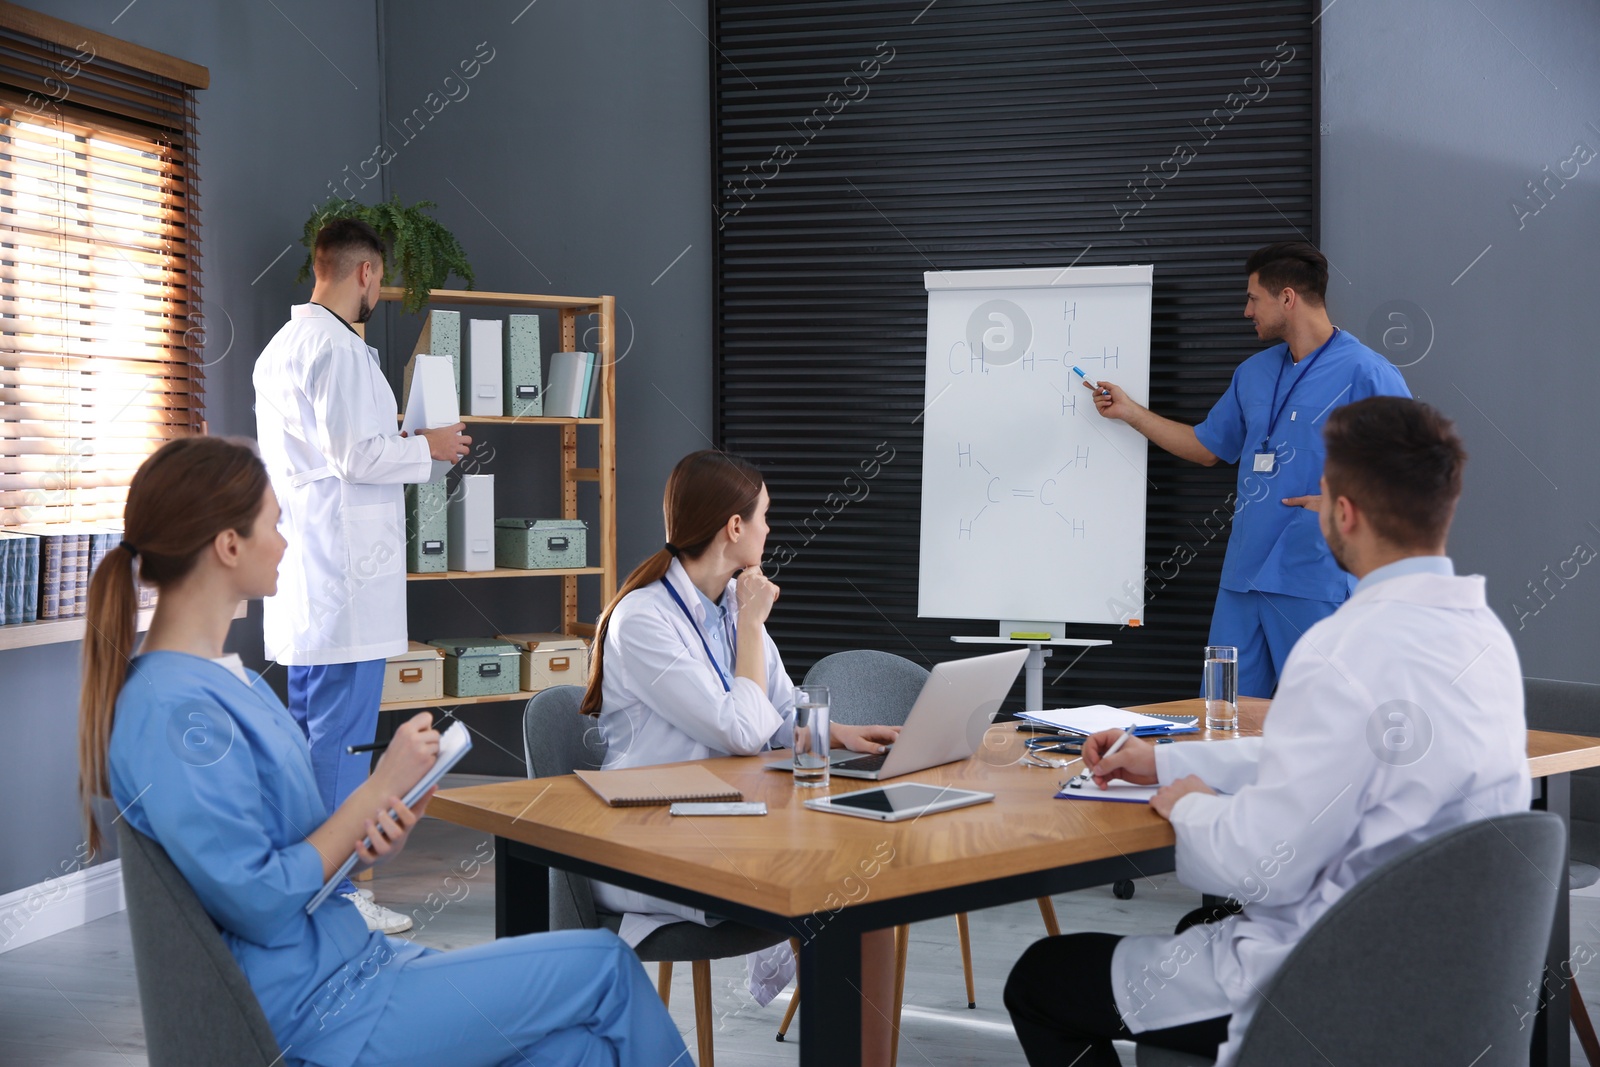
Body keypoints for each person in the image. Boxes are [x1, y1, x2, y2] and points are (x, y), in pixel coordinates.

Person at [77, 435, 687, 1067]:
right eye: (274, 524)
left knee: (579, 1053)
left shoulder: (225, 682)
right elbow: (256, 900)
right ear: (228, 547)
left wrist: (371, 830)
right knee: (608, 967)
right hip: (321, 1008)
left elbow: (286, 855)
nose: (285, 542)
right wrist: (372, 790)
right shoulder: (176, 712)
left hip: (352, 966)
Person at [1004, 396, 1529, 1066]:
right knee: (1198, 923)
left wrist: (1187, 803)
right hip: (1453, 972)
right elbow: (1328, 757)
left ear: (1342, 512)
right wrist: (1163, 763)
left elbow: (1264, 864)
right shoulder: (1483, 637)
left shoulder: (1341, 648)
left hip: (1326, 982)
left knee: (1041, 979)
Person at [581, 449, 902, 1065]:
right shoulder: (644, 619)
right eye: (765, 518)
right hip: (648, 833)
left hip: (720, 816)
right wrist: (753, 626)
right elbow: (742, 733)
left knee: (864, 891)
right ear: (734, 527)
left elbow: (779, 710)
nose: (769, 531)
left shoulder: (730, 605)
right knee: (830, 888)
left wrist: (841, 733)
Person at [253, 219, 470, 933]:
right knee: (343, 749)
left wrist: (401, 441)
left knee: (309, 743)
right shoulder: (341, 352)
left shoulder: (280, 349)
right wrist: (428, 445)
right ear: (366, 275)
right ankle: (338, 899)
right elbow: (357, 457)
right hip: (346, 583)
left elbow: (334, 453)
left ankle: (302, 890)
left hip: (309, 581)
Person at [1088, 242, 1410, 697]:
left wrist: (1344, 506)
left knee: (1328, 718)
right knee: (1221, 720)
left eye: (1253, 298)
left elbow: (1412, 473)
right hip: (1242, 581)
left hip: (1314, 577)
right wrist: (1130, 412)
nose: (1245, 310)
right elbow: (1206, 447)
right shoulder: (1254, 373)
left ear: (1288, 298)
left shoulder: (1368, 373)